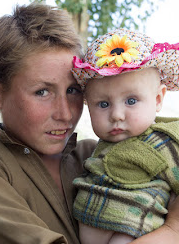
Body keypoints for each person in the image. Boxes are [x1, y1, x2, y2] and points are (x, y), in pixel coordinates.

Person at [0, 5, 178, 244]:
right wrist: (173, 231)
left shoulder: (95, 155)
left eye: (73, 90)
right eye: (42, 91)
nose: (65, 113)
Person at [72, 28, 179, 244]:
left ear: (158, 99)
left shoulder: (163, 142)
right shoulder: (95, 146)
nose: (116, 115)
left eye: (131, 101)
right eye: (103, 104)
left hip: (134, 232)